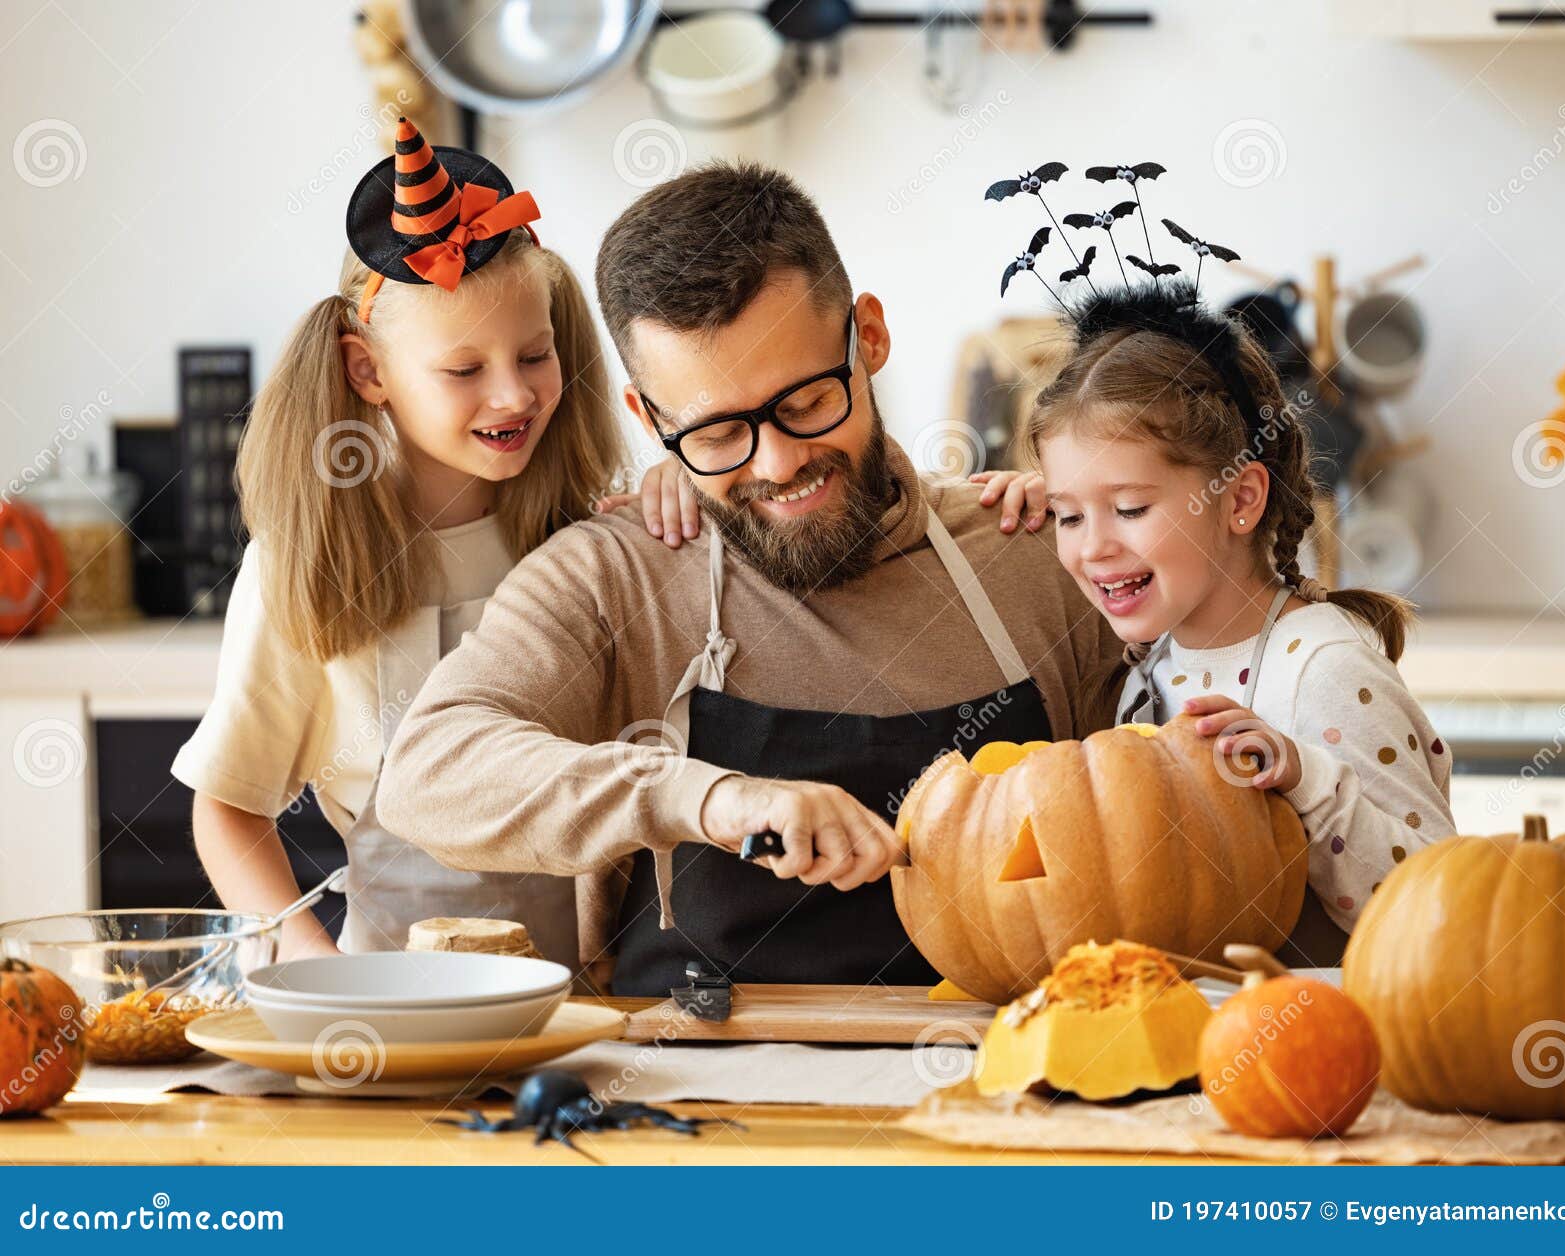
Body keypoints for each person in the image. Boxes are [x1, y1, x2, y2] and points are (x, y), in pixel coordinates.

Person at [375, 161, 1126, 996]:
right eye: (719, 432)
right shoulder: (615, 577)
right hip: (696, 1100)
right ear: (650, 420)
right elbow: (428, 775)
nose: (778, 463)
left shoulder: (1034, 556)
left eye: (805, 403)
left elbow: (1150, 813)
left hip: (996, 1086)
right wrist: (706, 800)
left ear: (867, 337)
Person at [175, 119, 640, 966]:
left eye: (535, 355)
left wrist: (687, 490)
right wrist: (309, 964)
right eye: (464, 371)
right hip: (388, 1000)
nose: (513, 396)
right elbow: (229, 806)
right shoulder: (307, 567)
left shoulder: (589, 535)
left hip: (590, 996)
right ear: (369, 372)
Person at [1024, 270, 1453, 959]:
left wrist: (1305, 778)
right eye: (1066, 514)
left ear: (1240, 499)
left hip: (1324, 1046)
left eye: (1131, 508)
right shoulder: (1147, 676)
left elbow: (1445, 910)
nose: (1093, 546)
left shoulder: (1322, 670)